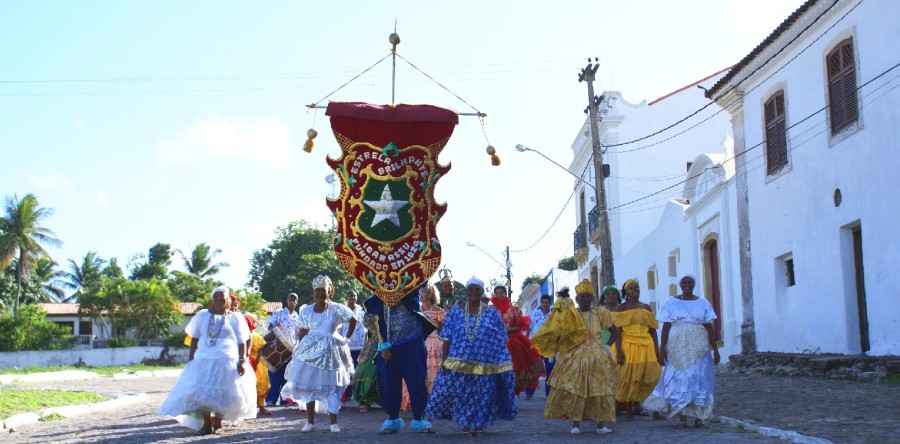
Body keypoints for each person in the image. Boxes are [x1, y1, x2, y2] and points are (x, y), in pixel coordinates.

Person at [158, 286, 256, 435]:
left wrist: (242, 360)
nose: (219, 299)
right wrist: (191, 358)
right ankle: (206, 423)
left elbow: (242, 341)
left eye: (222, 296)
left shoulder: (236, 317)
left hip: (227, 360)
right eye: (216, 296)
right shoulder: (202, 315)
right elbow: (195, 338)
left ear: (228, 300)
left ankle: (218, 423)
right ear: (212, 299)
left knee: (224, 392)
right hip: (203, 358)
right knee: (203, 392)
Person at [425, 277, 517, 435]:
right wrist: (444, 360)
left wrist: (504, 361)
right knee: (463, 393)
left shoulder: (492, 312)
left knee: (484, 393)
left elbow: (500, 338)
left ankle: (480, 424)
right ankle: (465, 424)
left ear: (482, 292)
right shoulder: (456, 311)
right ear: (466, 292)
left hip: (487, 364)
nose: (473, 292)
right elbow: (446, 338)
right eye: (470, 289)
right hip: (459, 363)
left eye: (477, 289)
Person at [538, 279, 622, 434]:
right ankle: (575, 424)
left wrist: (606, 346)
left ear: (592, 298)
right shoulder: (572, 314)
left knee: (598, 390)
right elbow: (560, 331)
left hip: (597, 356)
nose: (585, 299)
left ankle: (600, 425)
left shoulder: (600, 313)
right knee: (576, 390)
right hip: (575, 357)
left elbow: (615, 331)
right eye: (582, 296)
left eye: (588, 296)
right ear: (577, 299)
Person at [642, 274, 720, 429]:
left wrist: (715, 349)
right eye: (684, 282)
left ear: (694, 284)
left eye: (690, 282)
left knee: (699, 380)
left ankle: (699, 418)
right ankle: (682, 418)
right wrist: (662, 349)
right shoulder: (671, 302)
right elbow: (666, 326)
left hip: (699, 348)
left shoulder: (703, 303)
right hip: (677, 347)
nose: (687, 285)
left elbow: (709, 326)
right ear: (680, 284)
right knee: (680, 380)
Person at [281, 275, 356, 433]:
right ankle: (310, 422)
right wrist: (298, 350)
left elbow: (353, 320)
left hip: (331, 353)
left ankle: (333, 423)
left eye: (323, 290)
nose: (320, 293)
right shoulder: (306, 310)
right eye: (317, 291)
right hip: (310, 352)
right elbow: (303, 331)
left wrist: (346, 338)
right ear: (314, 292)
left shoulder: (336, 308)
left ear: (329, 291)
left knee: (331, 387)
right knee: (309, 385)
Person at [365, 284, 437, 434]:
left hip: (412, 341)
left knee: (417, 381)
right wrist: (383, 345)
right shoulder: (378, 294)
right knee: (389, 383)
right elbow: (375, 319)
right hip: (388, 345)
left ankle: (419, 419)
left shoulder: (411, 286)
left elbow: (422, 277)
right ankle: (392, 419)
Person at [610, 278, 662, 420]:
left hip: (646, 344)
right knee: (629, 376)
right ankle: (629, 409)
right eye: (631, 288)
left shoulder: (646, 307)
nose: (635, 290)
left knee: (653, 375)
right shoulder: (621, 308)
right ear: (626, 292)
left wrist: (657, 350)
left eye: (637, 287)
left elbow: (652, 330)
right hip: (628, 345)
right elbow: (617, 331)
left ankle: (655, 410)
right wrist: (619, 351)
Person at [491, 284, 544, 396]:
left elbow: (520, 326)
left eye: (502, 293)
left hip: (513, 343)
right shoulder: (490, 311)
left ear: (506, 294)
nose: (499, 295)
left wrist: (506, 330)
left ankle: (511, 395)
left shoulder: (514, 310)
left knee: (513, 371)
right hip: (495, 343)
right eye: (497, 293)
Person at [265, 292, 301, 407]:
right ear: (287, 300)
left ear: (297, 302)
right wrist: (276, 326)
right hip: (278, 347)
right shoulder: (279, 313)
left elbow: (299, 334)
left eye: (294, 300)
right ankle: (271, 399)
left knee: (287, 375)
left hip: (291, 350)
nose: (292, 302)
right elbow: (269, 327)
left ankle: (285, 398)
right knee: (274, 373)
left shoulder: (298, 317)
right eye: (291, 299)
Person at [352, 302, 382, 412]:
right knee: (363, 370)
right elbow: (369, 331)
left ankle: (385, 400)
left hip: (386, 341)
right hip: (372, 343)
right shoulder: (369, 304)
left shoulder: (389, 306)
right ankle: (364, 400)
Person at [525, 294, 554, 400]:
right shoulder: (535, 314)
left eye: (547, 302)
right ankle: (529, 392)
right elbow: (529, 327)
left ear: (550, 303)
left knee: (550, 368)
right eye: (543, 302)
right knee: (534, 368)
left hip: (549, 346)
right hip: (536, 345)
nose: (545, 304)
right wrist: (526, 340)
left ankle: (549, 393)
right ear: (541, 303)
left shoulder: (554, 315)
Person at [340, 290, 367, 403]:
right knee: (346, 370)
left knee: (357, 370)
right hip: (346, 345)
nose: (353, 298)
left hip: (359, 346)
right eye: (351, 296)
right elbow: (339, 326)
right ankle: (346, 394)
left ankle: (356, 393)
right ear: (347, 297)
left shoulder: (361, 311)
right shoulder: (342, 310)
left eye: (355, 296)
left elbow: (365, 327)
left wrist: (365, 342)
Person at [419, 283, 446, 393]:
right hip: (420, 344)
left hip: (435, 346)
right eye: (418, 293)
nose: (420, 295)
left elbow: (444, 330)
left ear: (430, 294)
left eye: (422, 293)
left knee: (435, 372)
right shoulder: (417, 310)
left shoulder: (438, 311)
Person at [245, 313, 271, 416]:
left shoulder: (256, 335)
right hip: (247, 362)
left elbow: (260, 349)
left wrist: (256, 361)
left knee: (261, 384)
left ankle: (261, 407)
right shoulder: (242, 335)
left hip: (258, 363)